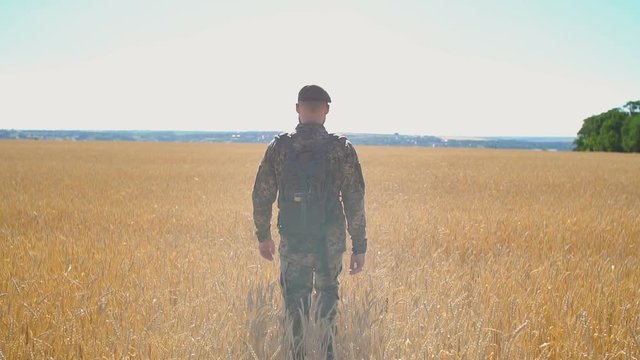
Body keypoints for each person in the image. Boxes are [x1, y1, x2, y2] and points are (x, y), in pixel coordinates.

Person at [252, 85, 367, 359]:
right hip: (330, 240)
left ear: (297, 108)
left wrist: (263, 236)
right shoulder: (342, 150)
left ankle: (297, 355)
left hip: (293, 239)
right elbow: (355, 200)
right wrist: (359, 246)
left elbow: (261, 195)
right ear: (326, 110)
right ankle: (327, 354)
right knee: (327, 300)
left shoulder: (279, 147)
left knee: (295, 305)